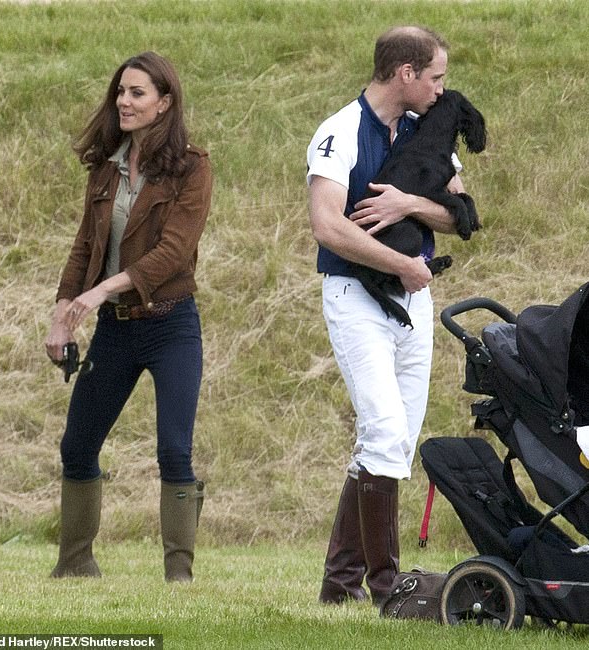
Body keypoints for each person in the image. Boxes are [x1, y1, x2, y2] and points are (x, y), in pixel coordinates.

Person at [306, 26, 470, 605]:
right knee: (382, 432)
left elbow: (457, 214)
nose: (441, 88)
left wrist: (408, 205)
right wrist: (400, 260)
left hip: (413, 299)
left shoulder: (430, 131)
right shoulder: (339, 132)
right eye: (435, 77)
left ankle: (338, 584)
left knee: (393, 444)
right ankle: (387, 589)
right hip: (356, 300)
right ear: (406, 74)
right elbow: (327, 225)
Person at [45, 52, 212, 582]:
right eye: (121, 91)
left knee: (173, 449)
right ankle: (75, 565)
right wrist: (60, 316)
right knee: (78, 444)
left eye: (137, 93)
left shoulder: (192, 166)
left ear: (165, 103)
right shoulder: (106, 165)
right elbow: (83, 248)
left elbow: (174, 253)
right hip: (116, 330)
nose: (124, 100)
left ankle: (178, 576)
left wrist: (100, 293)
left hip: (171, 326)